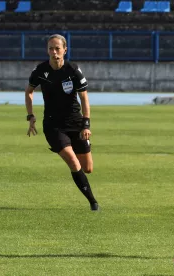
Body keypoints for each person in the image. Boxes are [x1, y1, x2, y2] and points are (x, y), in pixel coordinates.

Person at [25, 34, 100, 211]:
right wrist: (31, 116)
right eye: (51, 48)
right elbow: (29, 91)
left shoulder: (73, 70)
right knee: (74, 163)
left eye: (57, 48)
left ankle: (72, 150)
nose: (54, 52)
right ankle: (93, 203)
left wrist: (86, 124)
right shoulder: (40, 71)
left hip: (75, 122)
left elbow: (84, 97)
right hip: (53, 125)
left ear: (65, 50)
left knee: (87, 168)